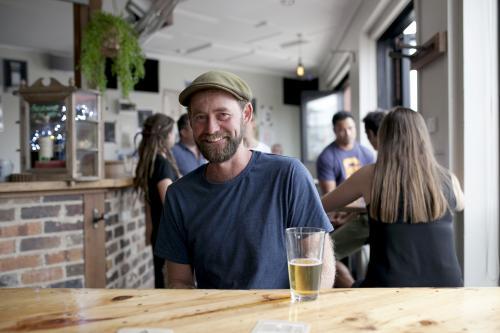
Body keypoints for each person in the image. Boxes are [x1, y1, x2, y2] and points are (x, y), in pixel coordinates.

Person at [154, 70, 335, 289]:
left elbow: (321, 265)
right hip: (217, 319)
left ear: (246, 114)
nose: (211, 128)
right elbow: (178, 282)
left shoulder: (288, 175)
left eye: (223, 115)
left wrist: (304, 314)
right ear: (190, 123)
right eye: (200, 117)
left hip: (283, 319)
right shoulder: (179, 195)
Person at [322, 107, 465, 287]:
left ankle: (344, 293)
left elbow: (322, 204)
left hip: (387, 288)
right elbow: (459, 204)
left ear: (384, 137)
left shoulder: (371, 175)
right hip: (449, 286)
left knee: (322, 256)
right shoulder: (448, 178)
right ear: (422, 138)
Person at [133, 113, 181, 288]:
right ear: (166, 135)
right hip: (168, 237)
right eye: (173, 132)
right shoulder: (162, 164)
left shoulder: (153, 162)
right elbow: (171, 204)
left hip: (159, 234)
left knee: (162, 283)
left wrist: (149, 230)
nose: (174, 136)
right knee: (169, 287)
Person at [316, 111, 375, 195]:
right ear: (334, 131)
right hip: (340, 207)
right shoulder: (326, 157)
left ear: (355, 127)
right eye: (342, 130)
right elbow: (330, 196)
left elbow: (372, 187)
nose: (348, 133)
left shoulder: (367, 153)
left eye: (350, 128)